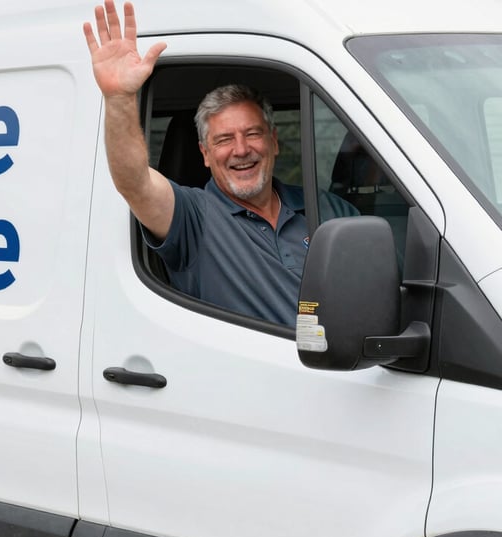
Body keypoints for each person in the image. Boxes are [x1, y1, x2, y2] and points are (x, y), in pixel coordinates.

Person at [83, 0, 357, 326]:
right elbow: (134, 182)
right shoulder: (193, 217)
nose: (241, 150)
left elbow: (375, 285)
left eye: (252, 134)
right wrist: (120, 98)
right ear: (205, 154)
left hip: (345, 370)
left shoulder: (326, 208)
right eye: (224, 140)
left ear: (274, 141)